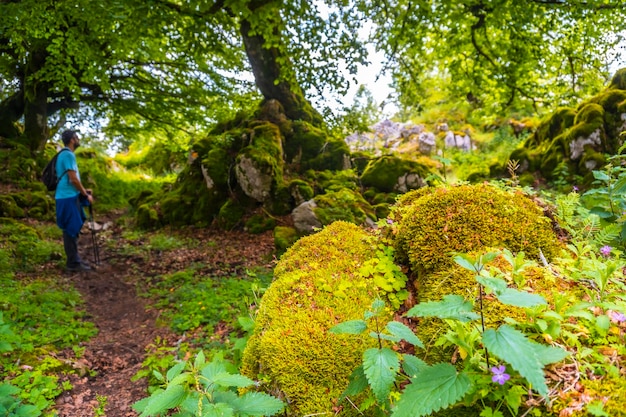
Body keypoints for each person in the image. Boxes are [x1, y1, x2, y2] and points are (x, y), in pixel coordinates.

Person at [55, 129, 94, 272]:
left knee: (71, 228)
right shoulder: (67, 155)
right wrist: (85, 194)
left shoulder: (64, 155)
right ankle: (73, 264)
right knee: (70, 229)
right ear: (72, 139)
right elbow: (73, 179)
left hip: (67, 196)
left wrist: (83, 191)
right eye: (76, 137)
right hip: (67, 197)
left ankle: (74, 260)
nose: (78, 139)